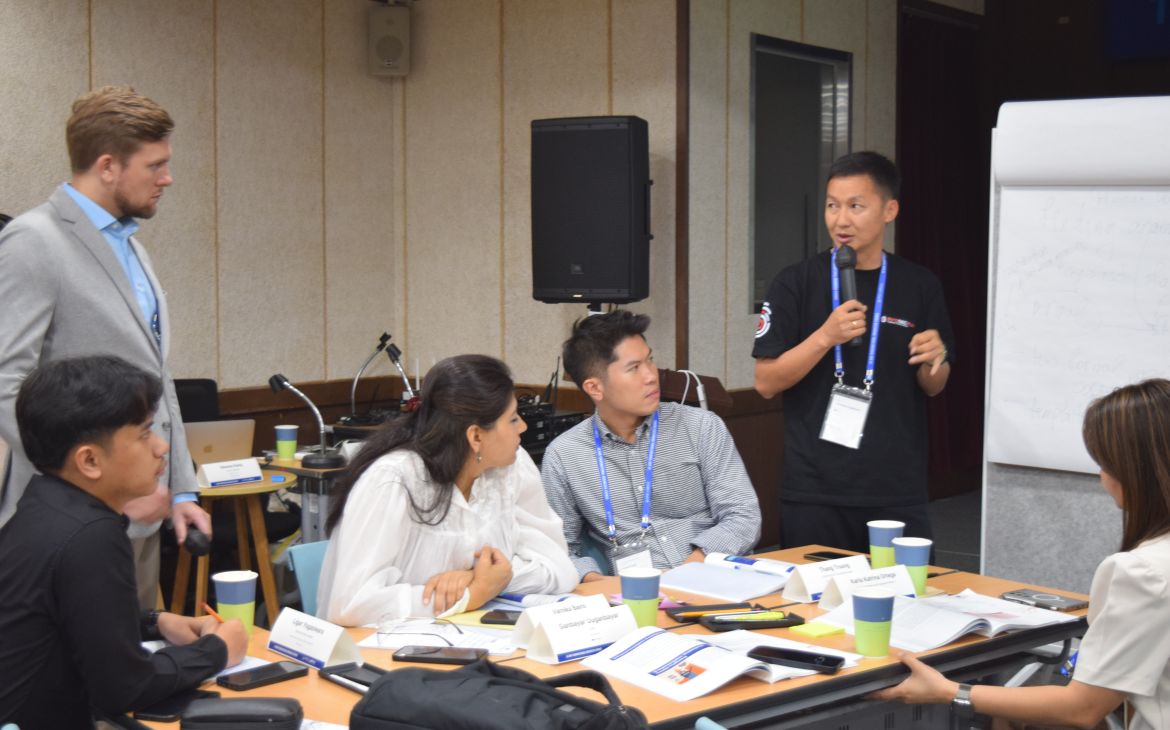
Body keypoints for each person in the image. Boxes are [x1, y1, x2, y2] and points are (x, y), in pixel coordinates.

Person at [0, 86, 210, 610]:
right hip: (72, 521)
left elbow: (156, 381)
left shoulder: (132, 247)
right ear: (108, 165)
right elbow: (7, 385)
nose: (167, 178)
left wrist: (182, 491)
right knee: (83, 685)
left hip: (140, 512)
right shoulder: (34, 240)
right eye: (155, 165)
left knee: (138, 671)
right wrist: (98, 491)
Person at [873, 378, 1170, 730]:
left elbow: (1082, 707)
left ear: (1131, 473)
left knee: (1010, 715)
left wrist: (949, 691)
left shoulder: (1142, 572)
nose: (1102, 477)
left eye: (1104, 463)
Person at [0, 356, 246, 729]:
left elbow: (64, 616)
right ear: (90, 461)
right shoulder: (91, 535)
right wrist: (217, 651)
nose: (162, 446)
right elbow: (125, 687)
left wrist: (155, 621)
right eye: (145, 432)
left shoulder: (43, 504)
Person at [752, 151, 954, 552]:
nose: (841, 220)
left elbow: (934, 386)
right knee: (817, 607)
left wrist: (936, 358)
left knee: (907, 604)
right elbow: (765, 382)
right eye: (832, 205)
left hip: (896, 487)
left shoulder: (919, 284)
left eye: (856, 206)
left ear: (889, 210)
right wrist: (825, 337)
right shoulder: (795, 282)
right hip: (815, 490)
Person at [318, 354, 578, 626]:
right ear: (476, 436)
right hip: (386, 652)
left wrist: (480, 577)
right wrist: (473, 593)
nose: (523, 427)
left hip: (476, 641)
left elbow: (560, 568)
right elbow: (350, 605)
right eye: (513, 420)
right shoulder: (393, 480)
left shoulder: (513, 466)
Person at [542, 310, 761, 581]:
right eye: (634, 368)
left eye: (650, 360)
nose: (651, 375)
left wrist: (689, 569)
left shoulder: (701, 427)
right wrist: (597, 583)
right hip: (628, 594)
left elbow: (743, 516)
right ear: (594, 388)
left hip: (715, 576)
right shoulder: (564, 455)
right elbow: (558, 547)